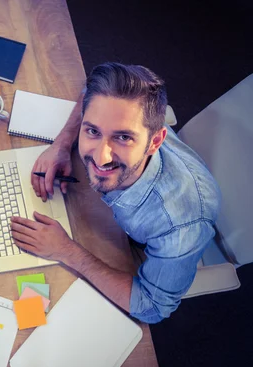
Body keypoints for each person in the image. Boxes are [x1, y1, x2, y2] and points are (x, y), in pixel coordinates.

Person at [11, 62, 221, 323]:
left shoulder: (179, 227)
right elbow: (88, 92)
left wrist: (66, 251)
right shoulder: (119, 105)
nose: (101, 157)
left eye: (123, 137)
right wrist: (62, 145)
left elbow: (152, 308)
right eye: (92, 131)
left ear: (155, 141)